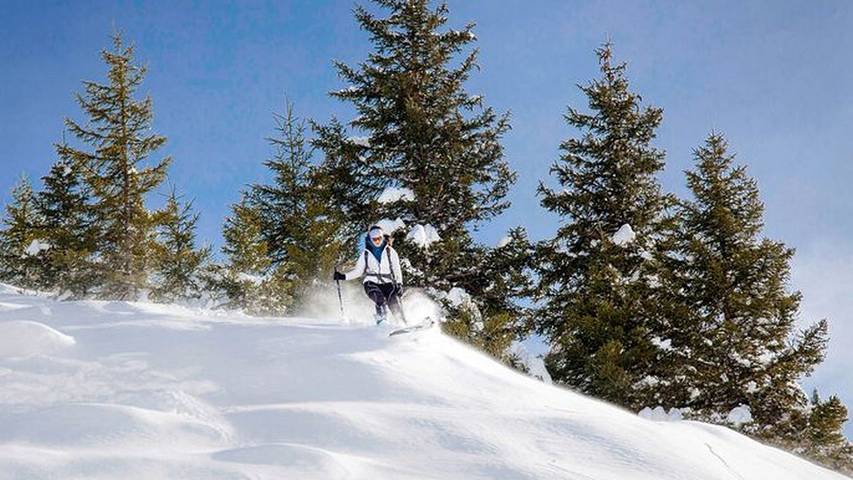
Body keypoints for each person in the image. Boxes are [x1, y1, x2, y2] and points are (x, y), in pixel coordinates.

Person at [333, 225, 405, 324]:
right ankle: (382, 320)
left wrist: (399, 283)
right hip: (371, 282)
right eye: (374, 239)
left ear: (382, 237)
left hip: (388, 282)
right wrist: (343, 276)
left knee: (394, 302)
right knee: (379, 298)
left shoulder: (390, 252)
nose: (377, 241)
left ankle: (403, 324)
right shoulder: (366, 254)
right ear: (370, 239)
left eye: (379, 239)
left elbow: (397, 269)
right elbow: (358, 271)